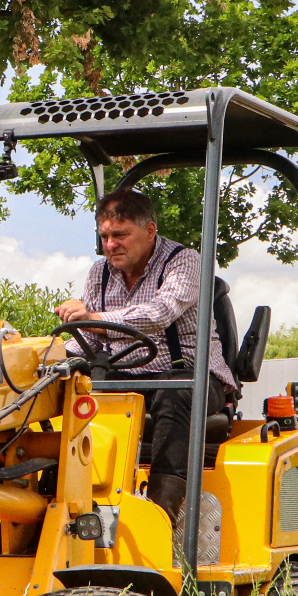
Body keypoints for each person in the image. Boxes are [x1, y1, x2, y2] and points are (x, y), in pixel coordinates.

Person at [54, 188, 234, 519]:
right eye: (105, 236)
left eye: (120, 235)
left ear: (150, 230)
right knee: (67, 388)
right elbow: (90, 344)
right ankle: (67, 499)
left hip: (192, 376)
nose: (110, 245)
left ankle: (162, 514)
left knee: (176, 391)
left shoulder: (185, 262)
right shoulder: (100, 273)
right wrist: (50, 358)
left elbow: (158, 314)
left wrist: (91, 318)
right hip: (126, 376)